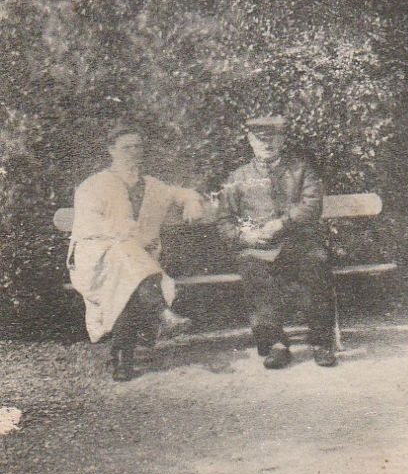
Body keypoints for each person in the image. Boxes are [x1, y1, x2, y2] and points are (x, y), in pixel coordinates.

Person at [68, 124, 213, 381]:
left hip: (138, 265)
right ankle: (163, 313)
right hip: (97, 259)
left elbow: (181, 193)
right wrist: (126, 238)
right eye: (127, 147)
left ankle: (122, 361)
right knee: (125, 265)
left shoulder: (152, 186)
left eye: (138, 147)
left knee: (129, 282)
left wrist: (191, 201)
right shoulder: (93, 186)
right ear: (111, 150)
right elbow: (89, 228)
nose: (134, 152)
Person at [217, 115, 334, 369]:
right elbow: (225, 221)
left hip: (297, 242)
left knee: (317, 261)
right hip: (258, 248)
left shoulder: (301, 170)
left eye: (273, 139)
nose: (267, 144)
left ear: (282, 139)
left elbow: (312, 205)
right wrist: (244, 236)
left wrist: (283, 223)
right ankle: (275, 344)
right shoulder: (238, 177)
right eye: (260, 139)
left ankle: (321, 342)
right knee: (253, 270)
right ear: (250, 141)